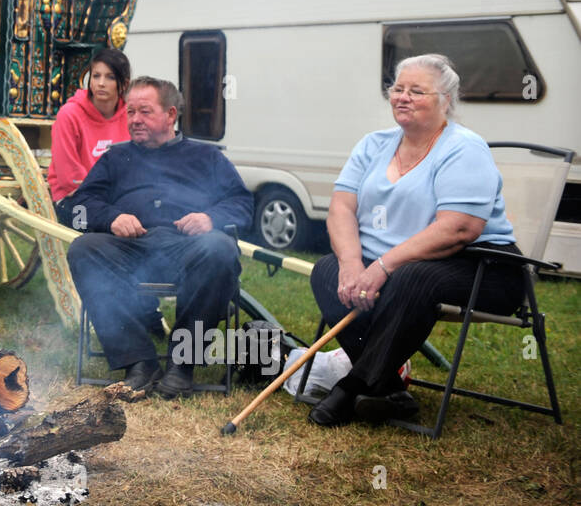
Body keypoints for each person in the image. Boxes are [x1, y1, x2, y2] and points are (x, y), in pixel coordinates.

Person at [306, 53, 523, 427]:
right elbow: (341, 207)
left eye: (417, 91)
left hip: (485, 267)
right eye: (398, 88)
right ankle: (388, 388)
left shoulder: (463, 148)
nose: (402, 97)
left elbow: (459, 228)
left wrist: (383, 266)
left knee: (412, 276)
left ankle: (353, 386)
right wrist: (351, 264)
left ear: (446, 101)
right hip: (403, 266)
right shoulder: (373, 145)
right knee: (326, 270)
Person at [65, 76, 253, 397]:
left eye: (145, 112)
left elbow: (243, 204)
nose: (135, 120)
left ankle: (183, 362)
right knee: (83, 249)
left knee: (219, 249)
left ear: (170, 115)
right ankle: (139, 361)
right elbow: (78, 205)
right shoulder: (115, 158)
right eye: (130, 112)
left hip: (189, 248)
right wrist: (112, 218)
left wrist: (211, 218)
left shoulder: (206, 158)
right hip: (131, 247)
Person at [49, 48, 131, 225]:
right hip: (74, 200)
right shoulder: (69, 115)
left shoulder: (130, 117)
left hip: (115, 199)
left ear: (124, 83)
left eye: (109, 77)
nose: (101, 83)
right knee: (113, 226)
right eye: (96, 76)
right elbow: (69, 180)